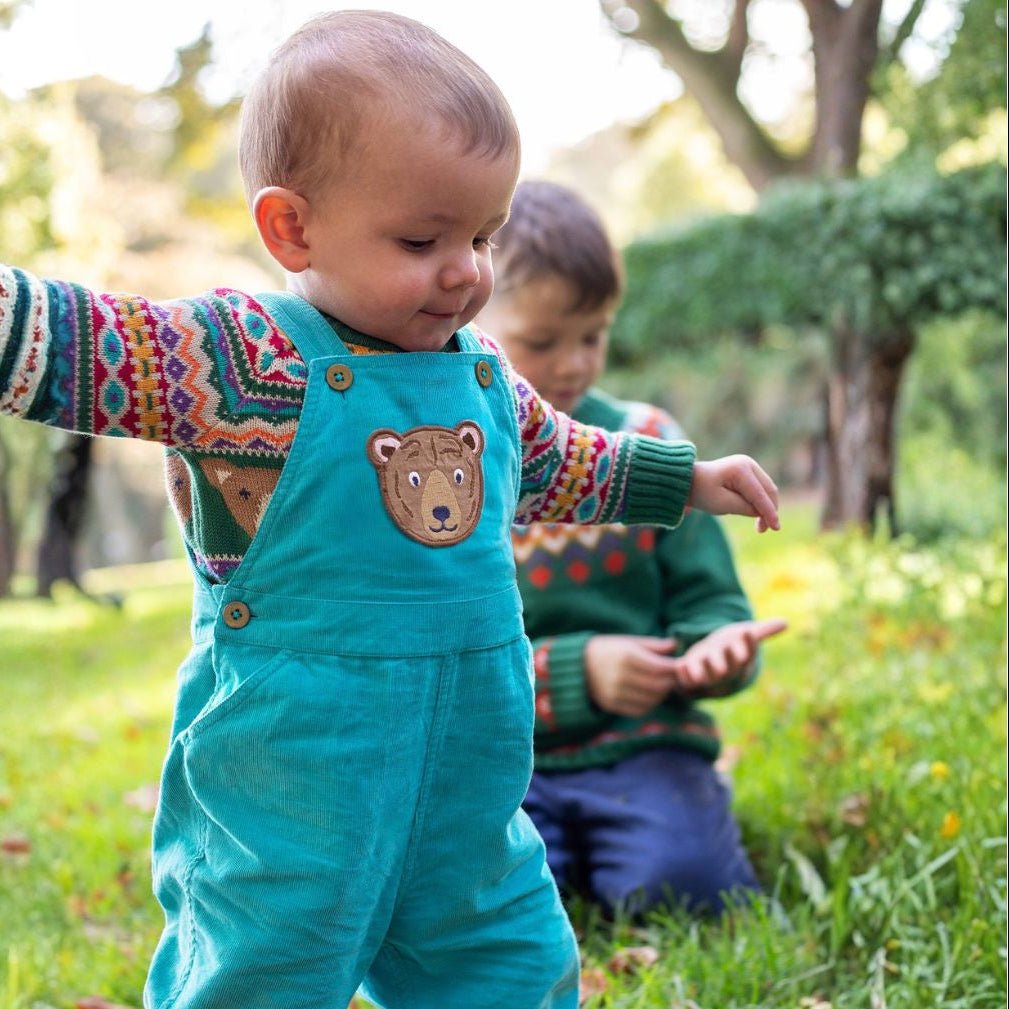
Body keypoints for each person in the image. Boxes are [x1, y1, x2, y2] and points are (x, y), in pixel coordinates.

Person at [0, 13, 780, 1008]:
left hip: (467, 792)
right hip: (289, 789)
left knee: (510, 964)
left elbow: (555, 460)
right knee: (260, 973)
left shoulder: (485, 378)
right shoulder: (243, 362)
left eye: (483, 235)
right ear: (293, 228)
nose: (467, 270)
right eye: (422, 239)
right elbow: (78, 340)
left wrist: (683, 479)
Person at [478, 180, 787, 916]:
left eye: (593, 335)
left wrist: (715, 649)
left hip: (646, 747)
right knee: (476, 906)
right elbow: (441, 651)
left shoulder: (645, 442)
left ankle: (657, 833)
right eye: (543, 341)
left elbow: (709, 598)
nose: (575, 364)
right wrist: (574, 674)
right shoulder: (450, 469)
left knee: (689, 887)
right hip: (504, 769)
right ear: (471, 318)